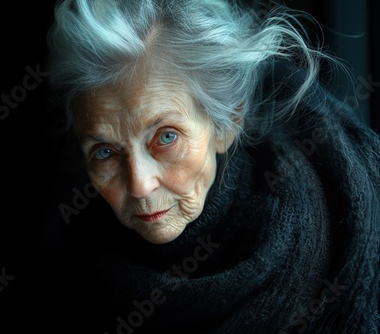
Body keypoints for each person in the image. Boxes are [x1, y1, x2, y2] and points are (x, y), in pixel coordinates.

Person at [44, 0, 380, 333]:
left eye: (166, 137)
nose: (140, 186)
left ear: (227, 123)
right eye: (105, 153)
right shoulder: (70, 252)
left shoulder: (317, 231)